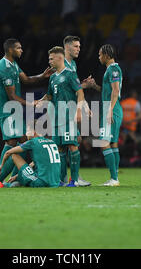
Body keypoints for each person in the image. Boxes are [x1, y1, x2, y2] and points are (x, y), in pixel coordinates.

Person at [0, 38, 53, 188]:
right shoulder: (5, 68)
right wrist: (31, 103)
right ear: (10, 50)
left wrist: (42, 76)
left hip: (14, 111)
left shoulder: (13, 64)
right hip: (8, 110)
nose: (21, 50)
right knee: (11, 143)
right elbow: (12, 97)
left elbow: (27, 80)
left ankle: (17, 178)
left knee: (23, 142)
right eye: (19, 48)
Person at [37, 46, 91, 187]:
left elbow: (80, 93)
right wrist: (40, 101)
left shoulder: (70, 74)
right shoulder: (53, 77)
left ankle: (74, 180)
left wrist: (79, 110)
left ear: (59, 58)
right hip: (56, 119)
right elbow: (49, 95)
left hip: (68, 118)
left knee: (72, 146)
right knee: (59, 149)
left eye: (51, 58)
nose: (49, 61)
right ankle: (61, 180)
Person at [61, 35, 93, 186]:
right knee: (69, 144)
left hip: (70, 109)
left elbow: (75, 88)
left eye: (79, 47)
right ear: (67, 47)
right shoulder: (62, 64)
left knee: (73, 142)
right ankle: (72, 179)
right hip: (64, 111)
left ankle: (70, 177)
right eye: (76, 46)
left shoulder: (72, 65)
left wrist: (84, 104)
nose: (79, 49)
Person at [0, 123, 61, 188]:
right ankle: (18, 181)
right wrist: (16, 176)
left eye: (27, 131)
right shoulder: (52, 142)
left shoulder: (33, 142)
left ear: (33, 132)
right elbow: (35, 163)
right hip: (55, 183)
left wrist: (1, 166)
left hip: (40, 182)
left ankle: (1, 183)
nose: (26, 134)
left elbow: (8, 153)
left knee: (14, 155)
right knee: (26, 173)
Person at [97, 44, 123, 186]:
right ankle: (115, 177)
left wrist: (110, 110)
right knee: (112, 143)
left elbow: (115, 90)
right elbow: (109, 90)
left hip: (112, 108)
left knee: (104, 142)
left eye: (100, 54)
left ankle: (114, 178)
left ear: (107, 55)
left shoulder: (113, 69)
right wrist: (95, 86)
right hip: (112, 108)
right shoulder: (111, 70)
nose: (99, 57)